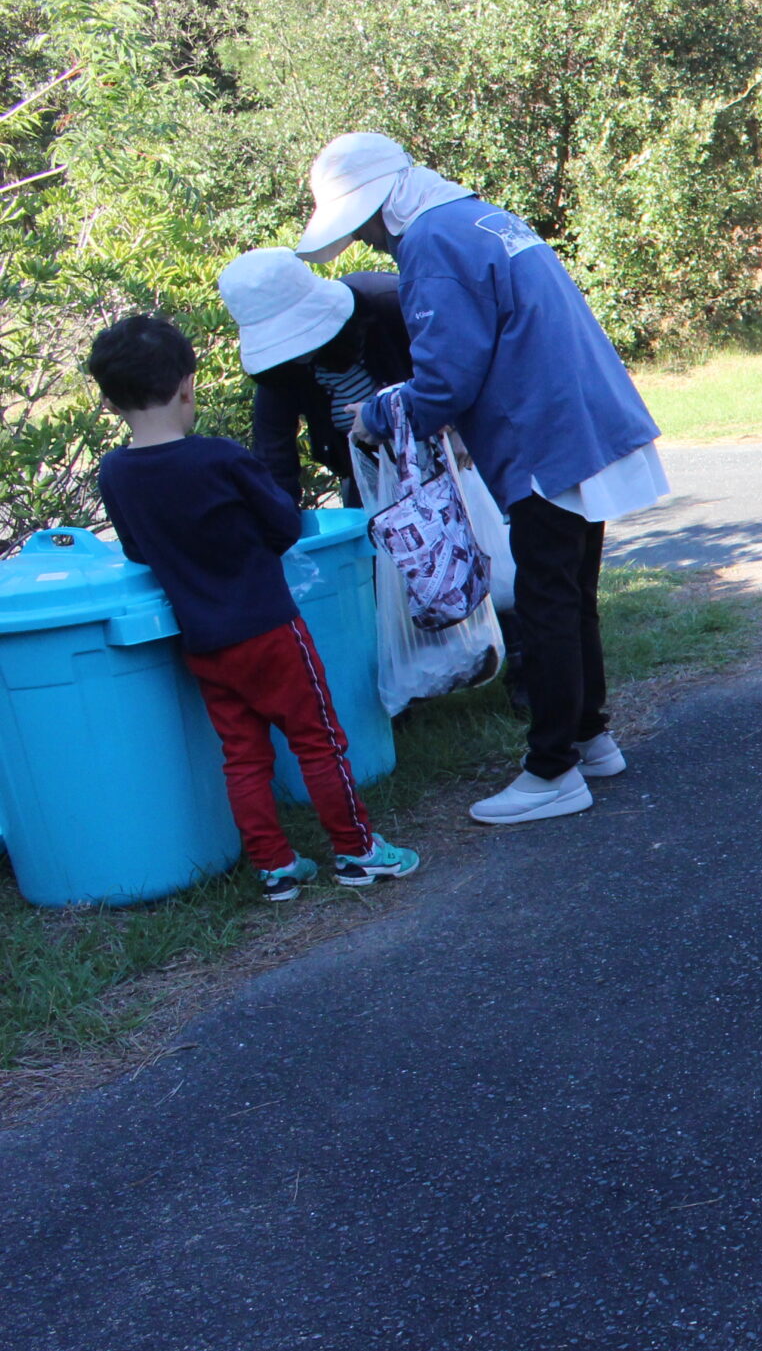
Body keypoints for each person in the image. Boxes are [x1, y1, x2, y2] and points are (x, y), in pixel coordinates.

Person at [296, 132, 665, 827]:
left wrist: (376, 412)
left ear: (378, 206)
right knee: (571, 591)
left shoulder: (431, 241)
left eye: (361, 226)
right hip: (581, 416)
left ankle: (552, 769)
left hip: (542, 434)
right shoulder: (475, 215)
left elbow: (444, 382)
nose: (368, 243)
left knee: (546, 600)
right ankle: (591, 736)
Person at [88, 315, 421, 904]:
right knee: (318, 739)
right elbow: (285, 523)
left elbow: (138, 548)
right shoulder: (218, 457)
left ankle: (275, 866)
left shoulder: (114, 472)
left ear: (110, 401)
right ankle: (358, 850)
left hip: (204, 643)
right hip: (269, 628)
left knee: (242, 755)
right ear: (188, 385)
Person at [218, 249, 412, 505]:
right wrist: (283, 529)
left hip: (448, 451)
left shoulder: (387, 302)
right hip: (368, 474)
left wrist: (382, 417)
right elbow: (274, 452)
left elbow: (452, 375)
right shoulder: (281, 370)